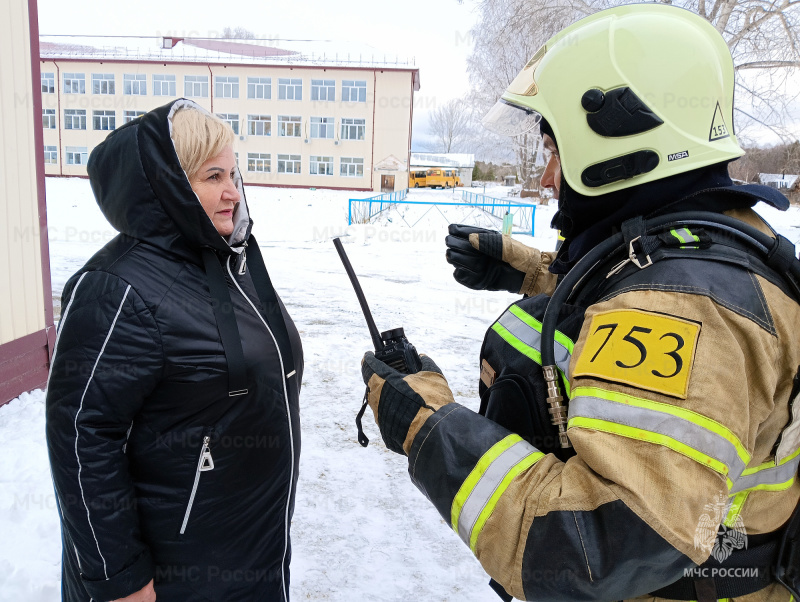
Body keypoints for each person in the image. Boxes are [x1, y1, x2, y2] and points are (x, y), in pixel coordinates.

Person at [360, 5, 800, 601]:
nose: (546, 178)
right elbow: (637, 283)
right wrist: (534, 274)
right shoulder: (717, 239)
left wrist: (429, 426)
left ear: (624, 140)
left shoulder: (685, 309)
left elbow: (589, 548)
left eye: (554, 151)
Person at [46, 99, 303, 602]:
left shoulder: (233, 265)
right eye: (213, 176)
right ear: (171, 182)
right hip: (174, 575)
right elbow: (81, 434)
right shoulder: (118, 287)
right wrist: (119, 578)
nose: (233, 192)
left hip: (247, 552)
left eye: (234, 173)